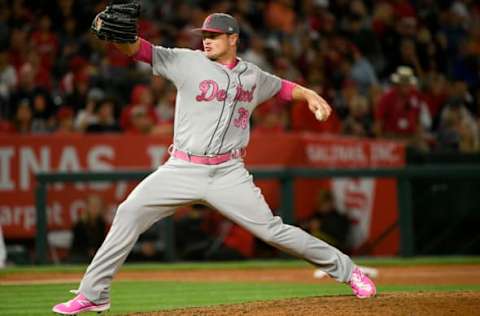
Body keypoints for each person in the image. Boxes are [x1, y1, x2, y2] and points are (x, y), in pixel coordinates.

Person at [53, 9, 376, 315]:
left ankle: (350, 272)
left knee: (272, 232)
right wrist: (119, 39)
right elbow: (140, 50)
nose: (207, 40)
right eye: (205, 34)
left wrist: (310, 95)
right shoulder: (185, 61)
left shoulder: (253, 75)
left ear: (233, 39)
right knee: (129, 212)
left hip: (228, 173)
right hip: (182, 167)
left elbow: (283, 88)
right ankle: (94, 295)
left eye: (215, 35)